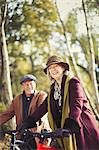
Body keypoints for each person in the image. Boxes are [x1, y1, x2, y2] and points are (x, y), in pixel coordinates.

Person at [20, 56, 99, 150]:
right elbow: (44, 107)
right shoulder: (54, 88)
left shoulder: (73, 82)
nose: (53, 70)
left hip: (81, 127)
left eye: (55, 66)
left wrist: (69, 126)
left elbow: (76, 105)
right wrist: (28, 122)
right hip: (63, 129)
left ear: (62, 68)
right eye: (50, 68)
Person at [0, 74, 47, 149]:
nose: (29, 86)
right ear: (22, 86)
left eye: (31, 84)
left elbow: (41, 112)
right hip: (22, 134)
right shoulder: (17, 99)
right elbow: (7, 114)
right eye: (26, 84)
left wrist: (33, 126)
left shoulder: (41, 95)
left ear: (35, 84)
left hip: (38, 133)